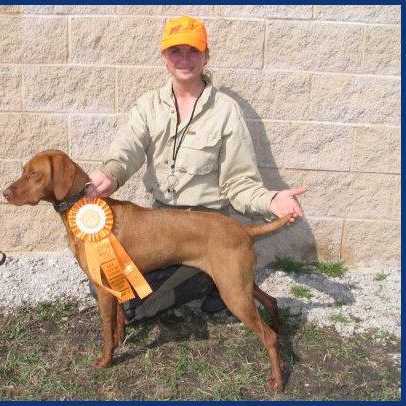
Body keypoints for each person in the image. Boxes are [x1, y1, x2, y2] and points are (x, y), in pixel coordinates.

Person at [86, 15, 306, 323]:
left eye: (194, 50)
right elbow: (127, 151)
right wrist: (109, 174)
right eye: (176, 51)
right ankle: (205, 280)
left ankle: (213, 278)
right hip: (161, 227)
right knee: (105, 275)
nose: (185, 59)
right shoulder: (148, 105)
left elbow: (240, 183)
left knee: (136, 308)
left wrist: (271, 201)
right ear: (164, 57)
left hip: (207, 231)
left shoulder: (226, 111)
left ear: (206, 55)